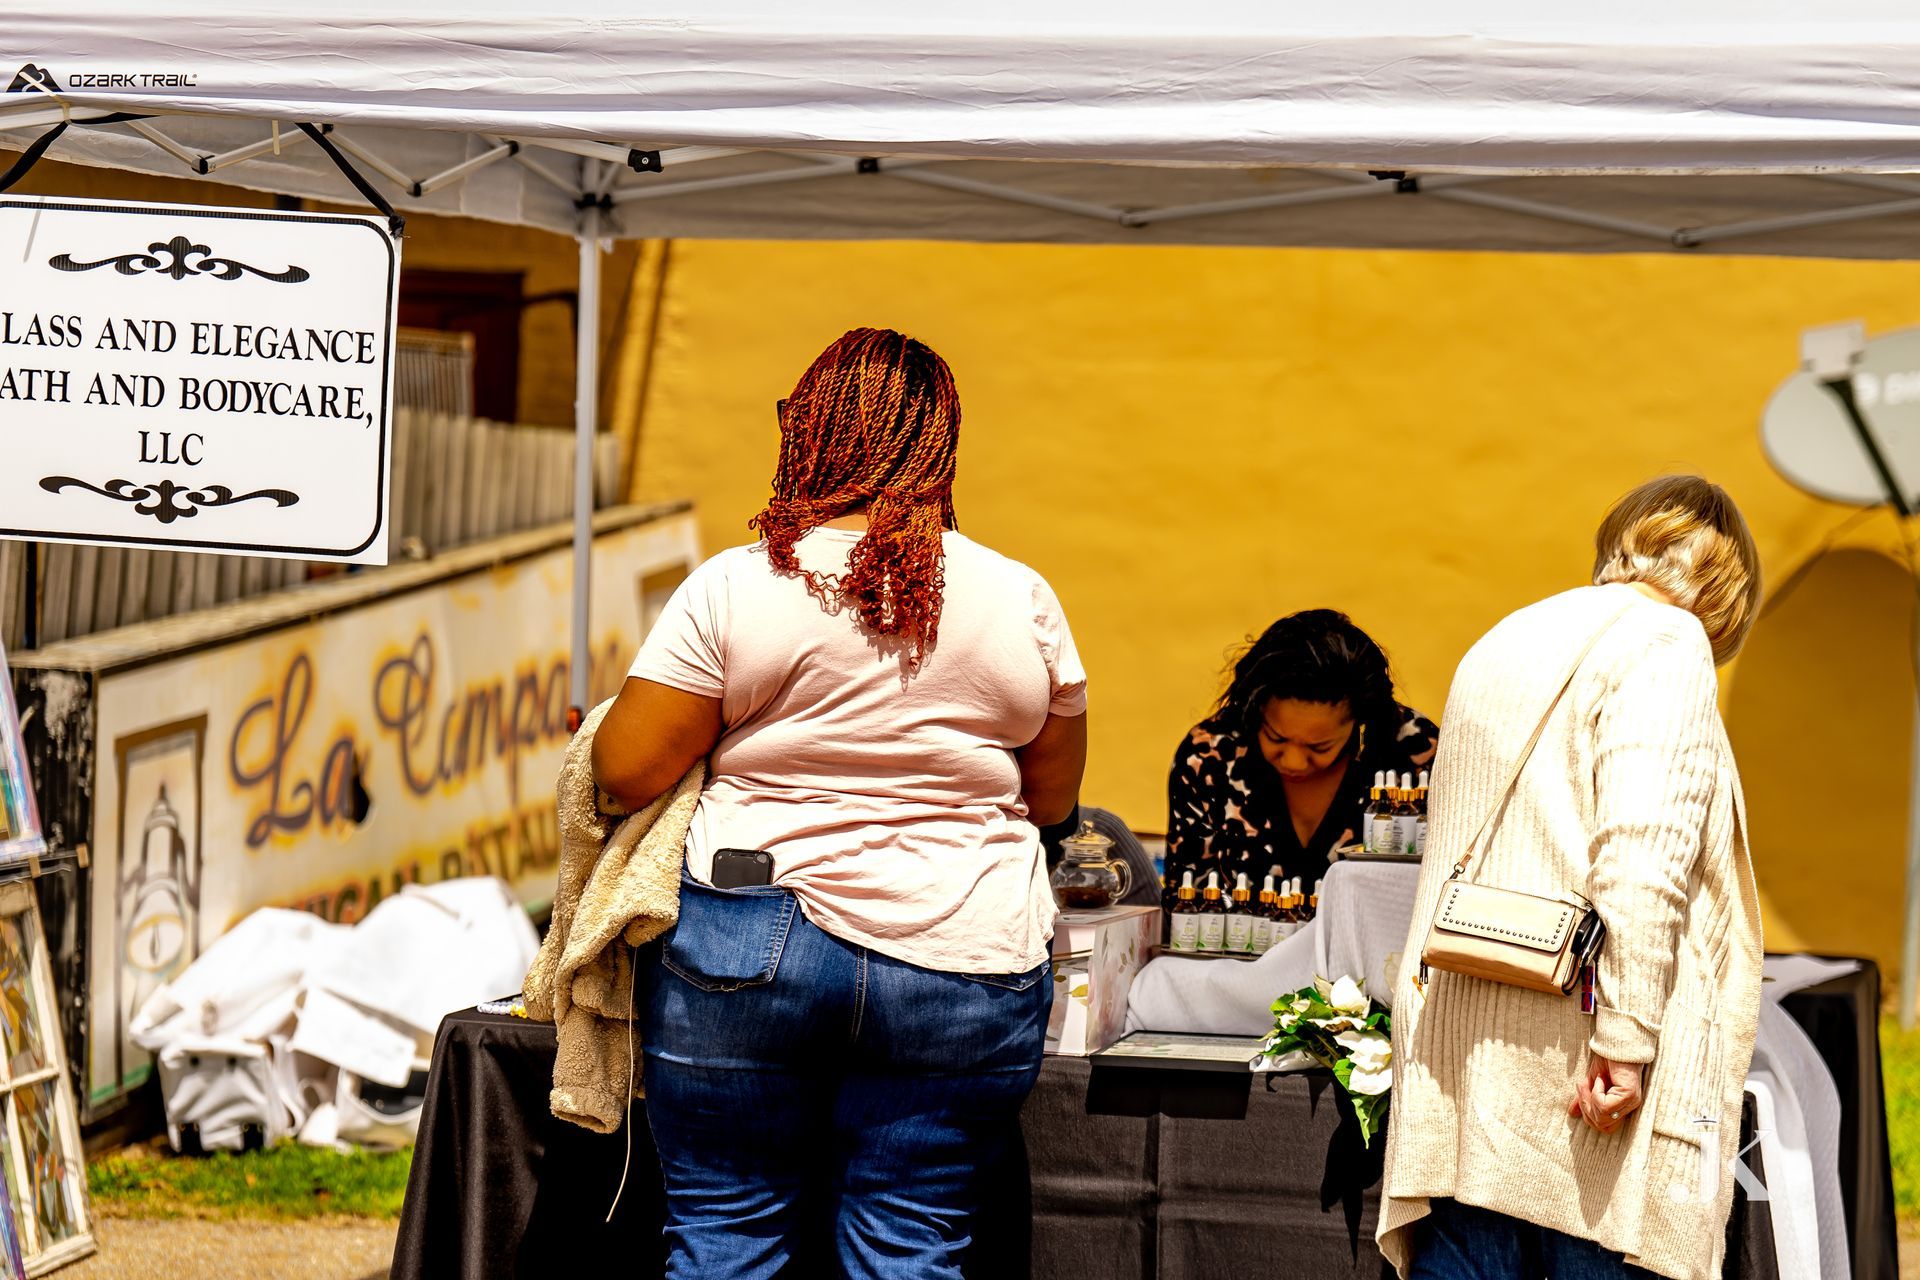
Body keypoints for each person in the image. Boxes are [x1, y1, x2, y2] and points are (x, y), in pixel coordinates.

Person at [591, 327, 1088, 1280]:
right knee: (912, 1246)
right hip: (965, 954)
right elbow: (1053, 794)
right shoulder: (1020, 596)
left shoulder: (738, 586)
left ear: (808, 429)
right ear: (942, 443)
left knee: (724, 1238)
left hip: (748, 937)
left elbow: (624, 771)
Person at [1377, 476, 1765, 1280]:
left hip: (1460, 1074)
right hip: (1582, 1094)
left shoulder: (1510, 634)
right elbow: (1642, 856)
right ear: (1727, 592)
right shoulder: (1667, 642)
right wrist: (1625, 1042)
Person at [1165, 610, 1437, 891]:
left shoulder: (1415, 753)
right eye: (1276, 738)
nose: (1294, 762)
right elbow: (1185, 899)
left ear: (1360, 722)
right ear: (1255, 711)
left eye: (1319, 746)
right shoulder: (1208, 756)